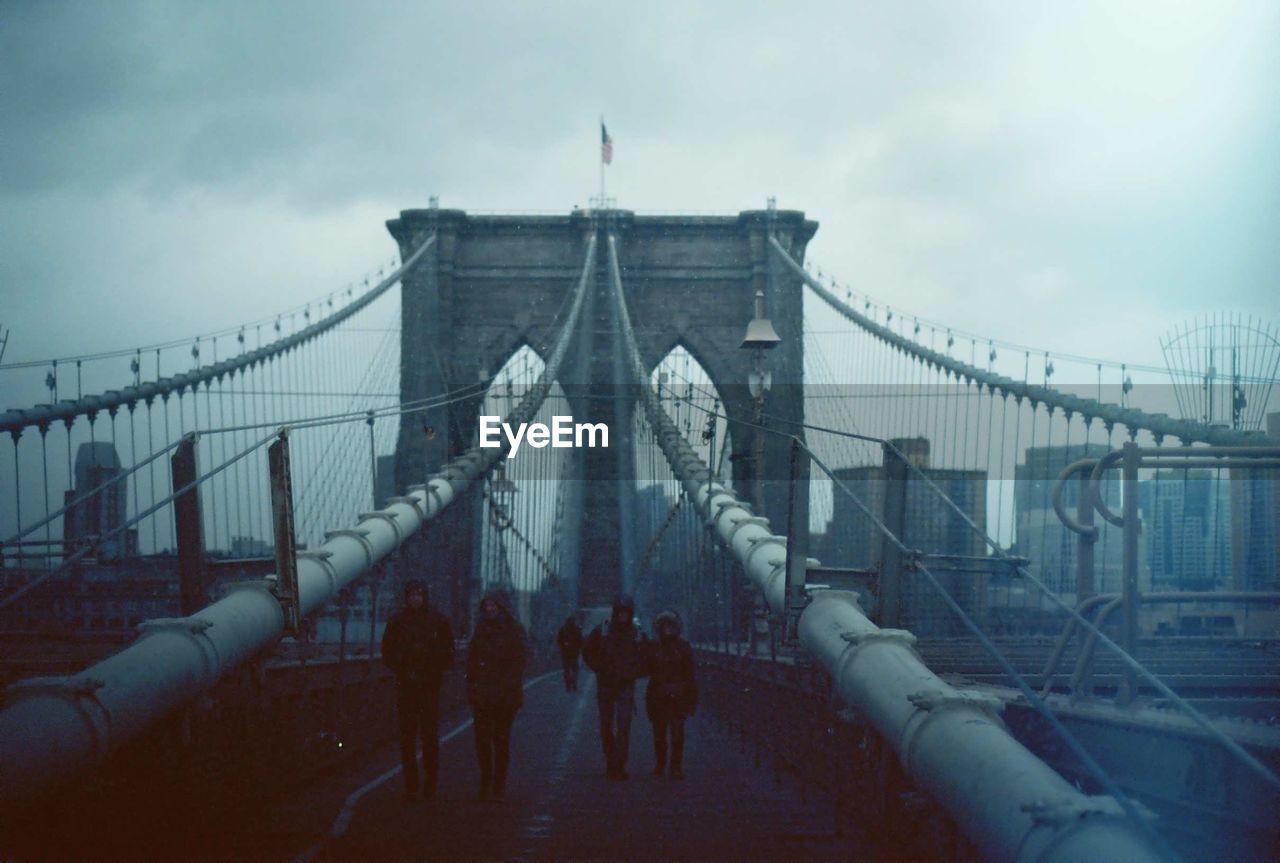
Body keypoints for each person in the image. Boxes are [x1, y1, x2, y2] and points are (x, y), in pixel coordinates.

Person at [381, 578, 455, 800]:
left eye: (419, 595)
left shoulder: (438, 621)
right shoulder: (397, 622)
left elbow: (449, 653)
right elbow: (387, 651)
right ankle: (411, 786)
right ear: (407, 597)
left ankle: (430, 783)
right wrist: (402, 668)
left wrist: (431, 668)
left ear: (424, 597)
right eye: (412, 595)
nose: (415, 599)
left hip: (428, 687)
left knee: (429, 738)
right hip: (407, 688)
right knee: (407, 739)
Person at [466, 588, 528, 801]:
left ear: (501, 607)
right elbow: (471, 661)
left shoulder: (514, 630)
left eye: (493, 605)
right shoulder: (480, 630)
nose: (490, 609)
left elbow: (520, 660)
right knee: (483, 740)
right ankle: (486, 781)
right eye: (487, 606)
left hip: (504, 695)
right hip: (483, 694)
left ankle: (498, 783)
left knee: (500, 740)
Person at [582, 595, 649, 780]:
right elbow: (587, 650)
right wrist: (599, 668)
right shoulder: (603, 630)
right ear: (616, 612)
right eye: (621, 611)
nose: (623, 615)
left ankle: (618, 765)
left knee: (623, 726)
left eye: (626, 612)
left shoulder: (636, 633)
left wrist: (635, 672)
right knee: (606, 725)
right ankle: (611, 761)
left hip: (625, 686)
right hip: (606, 685)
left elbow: (647, 655)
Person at [645, 610, 698, 779]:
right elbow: (647, 669)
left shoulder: (683, 647)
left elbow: (690, 674)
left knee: (677, 734)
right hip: (659, 697)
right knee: (659, 734)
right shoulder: (654, 647)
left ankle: (675, 767)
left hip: (678, 697)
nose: (667, 629)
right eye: (664, 625)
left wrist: (691, 697)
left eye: (670, 625)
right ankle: (661, 765)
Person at [556, 614, 584, 692]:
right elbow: (581, 641)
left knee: (566, 669)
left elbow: (559, 640)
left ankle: (568, 685)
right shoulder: (577, 629)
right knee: (575, 669)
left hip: (565, 653)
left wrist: (563, 646)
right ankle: (574, 683)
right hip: (574, 652)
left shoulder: (563, 629)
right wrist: (579, 648)